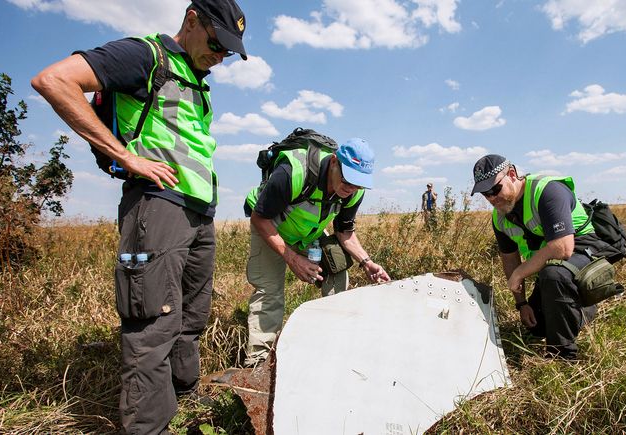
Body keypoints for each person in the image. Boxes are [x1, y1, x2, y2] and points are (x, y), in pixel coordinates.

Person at [31, 0, 247, 432]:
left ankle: (185, 398)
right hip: (157, 204)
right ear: (192, 20)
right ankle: (150, 427)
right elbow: (53, 80)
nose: (221, 56)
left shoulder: (196, 80)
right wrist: (125, 156)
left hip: (198, 213)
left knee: (190, 316)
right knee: (153, 323)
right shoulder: (146, 55)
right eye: (217, 42)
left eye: (229, 51)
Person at [242, 137, 392, 367]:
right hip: (271, 226)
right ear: (334, 162)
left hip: (306, 233)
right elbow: (259, 218)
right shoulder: (293, 172)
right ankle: (257, 363)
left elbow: (344, 232)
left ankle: (332, 342)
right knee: (270, 291)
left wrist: (366, 262)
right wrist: (292, 259)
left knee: (337, 267)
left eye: (358, 184)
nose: (350, 188)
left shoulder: (354, 192)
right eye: (347, 179)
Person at [471, 154, 614, 359]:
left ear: (512, 174)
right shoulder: (500, 218)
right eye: (485, 194)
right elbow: (510, 259)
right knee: (537, 325)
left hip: (583, 249)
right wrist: (522, 304)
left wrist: (521, 272)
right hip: (550, 263)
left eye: (495, 189)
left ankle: (562, 355)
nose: (492, 198)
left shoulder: (547, 191)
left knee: (554, 275)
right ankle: (580, 308)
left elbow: (562, 248)